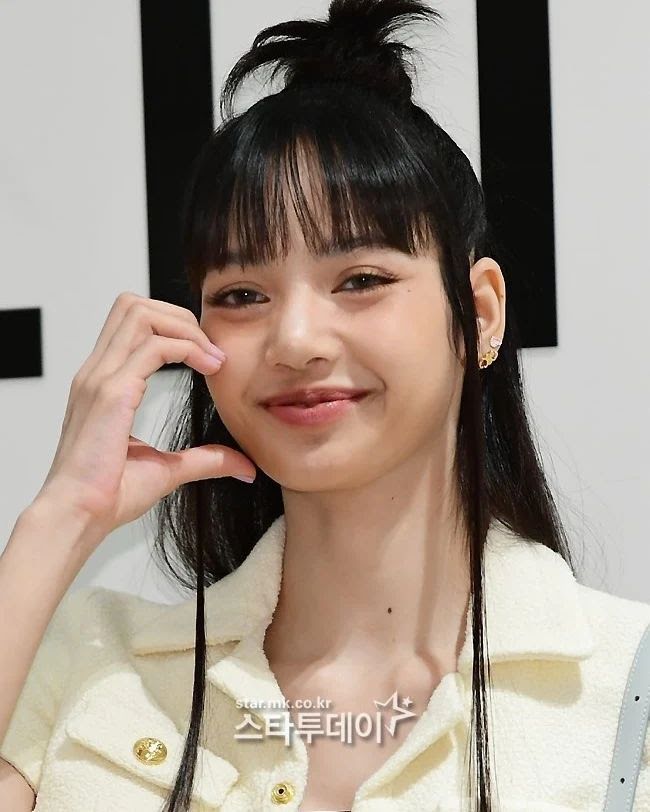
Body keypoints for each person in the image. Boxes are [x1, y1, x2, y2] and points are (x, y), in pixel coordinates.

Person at [1, 0, 649, 810]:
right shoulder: (90, 668)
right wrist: (62, 517)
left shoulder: (622, 691)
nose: (296, 340)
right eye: (242, 294)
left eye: (361, 280)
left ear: (480, 312)